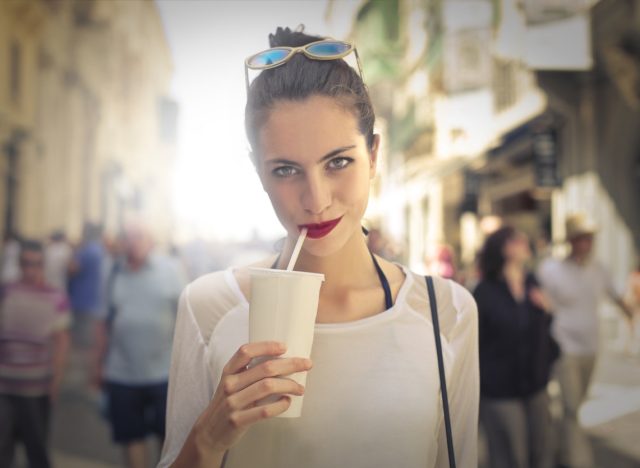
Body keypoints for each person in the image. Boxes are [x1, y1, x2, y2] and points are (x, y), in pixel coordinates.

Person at [158, 26, 479, 468]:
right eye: (286, 169)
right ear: (258, 173)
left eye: (339, 162)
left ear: (375, 155)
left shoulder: (448, 312)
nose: (317, 199)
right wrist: (207, 441)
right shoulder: (209, 308)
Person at [537, 213, 634, 468]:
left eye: (589, 239)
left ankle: (555, 450)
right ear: (571, 240)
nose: (586, 244)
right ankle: (578, 461)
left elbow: (618, 299)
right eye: (581, 238)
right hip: (564, 346)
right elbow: (541, 306)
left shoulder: (599, 269)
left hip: (591, 347)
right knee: (571, 408)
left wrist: (631, 315)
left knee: (576, 405)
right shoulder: (551, 269)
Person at [93, 221, 185, 468]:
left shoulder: (171, 270)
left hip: (164, 373)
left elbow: (188, 318)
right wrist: (98, 364)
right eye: (129, 237)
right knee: (131, 438)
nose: (134, 242)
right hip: (121, 372)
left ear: (151, 241)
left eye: (140, 236)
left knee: (167, 440)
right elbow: (103, 320)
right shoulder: (112, 271)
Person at [474, 226, 558, 468]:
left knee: (540, 453)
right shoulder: (485, 291)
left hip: (535, 383)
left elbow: (544, 327)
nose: (524, 243)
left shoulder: (532, 282)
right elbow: (475, 341)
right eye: (517, 240)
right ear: (503, 248)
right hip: (500, 390)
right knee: (511, 457)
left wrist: (547, 310)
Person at [0, 239, 71, 468]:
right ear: (19, 263)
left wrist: (56, 381)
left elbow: (61, 342)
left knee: (37, 449)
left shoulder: (55, 296)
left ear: (43, 265)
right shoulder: (6, 291)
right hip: (4, 385)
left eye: (36, 264)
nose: (31, 269)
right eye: (26, 263)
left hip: (36, 387)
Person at [68, 222, 104, 348]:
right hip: (95, 298)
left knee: (80, 337)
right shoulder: (101, 250)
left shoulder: (85, 251)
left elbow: (72, 269)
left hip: (81, 298)